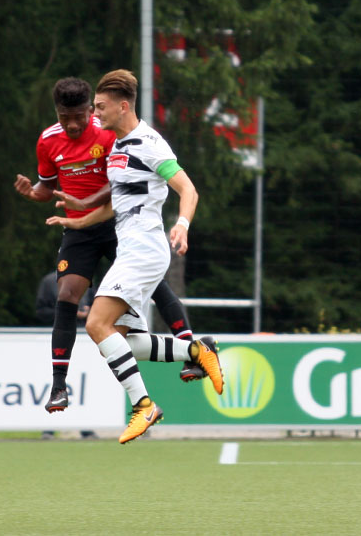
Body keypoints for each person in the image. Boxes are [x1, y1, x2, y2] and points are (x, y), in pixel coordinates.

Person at [46, 69, 223, 444]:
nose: (95, 114)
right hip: (131, 250)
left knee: (96, 324)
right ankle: (197, 348)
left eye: (100, 107)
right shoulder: (118, 146)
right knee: (121, 339)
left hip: (143, 250)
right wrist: (77, 223)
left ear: (123, 106)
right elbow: (116, 207)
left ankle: (144, 405)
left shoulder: (148, 144)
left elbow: (187, 188)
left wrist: (183, 224)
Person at [14, 76, 205, 417]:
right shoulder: (51, 141)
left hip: (123, 231)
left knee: (108, 319)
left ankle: (174, 372)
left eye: (86, 114)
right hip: (85, 226)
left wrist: (181, 223)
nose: (73, 124)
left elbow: (159, 186)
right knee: (73, 301)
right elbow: (53, 187)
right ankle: (60, 384)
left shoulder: (118, 136)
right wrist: (43, 198)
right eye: (64, 117)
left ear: (97, 110)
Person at [35, 270, 96, 440]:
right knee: (56, 382)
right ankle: (48, 428)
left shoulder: (87, 279)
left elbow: (98, 305)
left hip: (84, 340)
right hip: (59, 340)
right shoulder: (49, 281)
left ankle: (86, 427)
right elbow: (41, 311)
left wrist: (90, 312)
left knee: (84, 382)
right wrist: (68, 313)